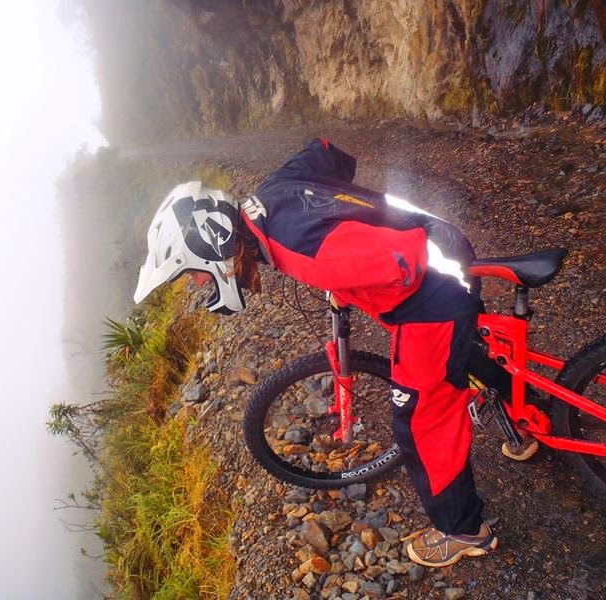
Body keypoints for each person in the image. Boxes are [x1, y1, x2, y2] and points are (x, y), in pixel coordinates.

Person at [133, 138, 500, 567]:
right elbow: (328, 153)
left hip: (435, 303)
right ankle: (520, 408)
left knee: (419, 420)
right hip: (444, 251)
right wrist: (342, 219)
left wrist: (345, 265)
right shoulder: (269, 194)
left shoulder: (303, 248)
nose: (198, 285)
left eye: (194, 274)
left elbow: (403, 263)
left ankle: (464, 530)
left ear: (213, 247)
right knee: (462, 364)